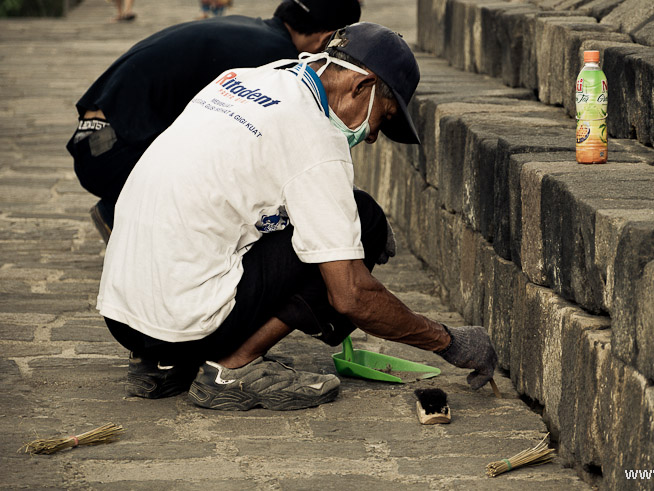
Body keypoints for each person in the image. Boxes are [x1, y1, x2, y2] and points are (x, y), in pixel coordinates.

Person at [97, 22, 499, 411]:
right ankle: (233, 370)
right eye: (384, 118)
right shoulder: (316, 139)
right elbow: (351, 296)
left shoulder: (248, 77)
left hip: (122, 317)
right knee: (365, 220)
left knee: (332, 215)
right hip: (181, 325)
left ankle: (159, 365)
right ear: (362, 86)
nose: (374, 136)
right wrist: (448, 342)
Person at [67, 0, 360, 242]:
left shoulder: (251, 30)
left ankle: (129, 210)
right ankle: (120, 212)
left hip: (93, 142)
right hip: (110, 155)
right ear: (327, 38)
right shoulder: (275, 60)